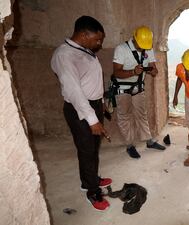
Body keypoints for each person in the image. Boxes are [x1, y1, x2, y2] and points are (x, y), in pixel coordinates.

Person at [51, 16, 112, 211]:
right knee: (86, 149)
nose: (99, 43)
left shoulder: (85, 50)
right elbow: (74, 92)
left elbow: (92, 80)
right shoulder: (65, 55)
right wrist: (92, 120)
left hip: (93, 105)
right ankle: (92, 191)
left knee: (93, 147)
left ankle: (91, 178)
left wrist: (100, 102)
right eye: (97, 39)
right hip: (80, 109)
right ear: (84, 34)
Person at [112, 26, 165, 159]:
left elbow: (155, 70)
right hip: (122, 87)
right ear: (134, 39)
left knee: (142, 114)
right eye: (141, 46)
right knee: (125, 117)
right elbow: (116, 72)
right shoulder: (121, 49)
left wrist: (150, 70)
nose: (143, 48)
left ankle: (149, 141)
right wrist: (133, 72)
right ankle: (130, 145)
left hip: (138, 87)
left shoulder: (148, 48)